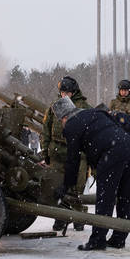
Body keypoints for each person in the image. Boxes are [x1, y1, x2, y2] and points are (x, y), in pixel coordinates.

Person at [52, 96, 130, 251]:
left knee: (105, 198)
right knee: (124, 197)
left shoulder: (71, 125)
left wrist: (67, 185)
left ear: (64, 117)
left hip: (111, 153)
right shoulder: (94, 112)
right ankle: (119, 238)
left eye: (61, 120)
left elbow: (73, 159)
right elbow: (115, 128)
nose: (62, 123)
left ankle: (98, 240)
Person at [41, 76, 91, 231]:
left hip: (77, 153)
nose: (65, 96)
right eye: (63, 93)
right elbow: (46, 129)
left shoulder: (84, 107)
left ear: (73, 92)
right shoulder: (53, 107)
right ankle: (61, 217)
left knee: (77, 187)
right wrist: (45, 151)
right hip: (57, 151)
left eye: (67, 93)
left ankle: (78, 216)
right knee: (57, 185)